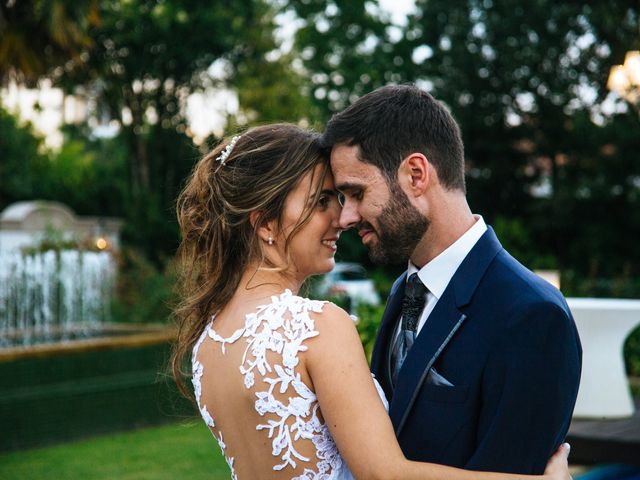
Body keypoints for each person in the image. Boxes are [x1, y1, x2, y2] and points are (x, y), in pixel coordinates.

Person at [171, 123, 572, 480]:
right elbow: (384, 473)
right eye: (322, 201)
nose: (342, 219)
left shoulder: (208, 342)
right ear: (266, 224)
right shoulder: (315, 326)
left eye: (345, 197)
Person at [320, 84, 582, 474]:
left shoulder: (532, 316)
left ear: (416, 174)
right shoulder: (404, 291)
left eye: (355, 193)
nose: (346, 217)